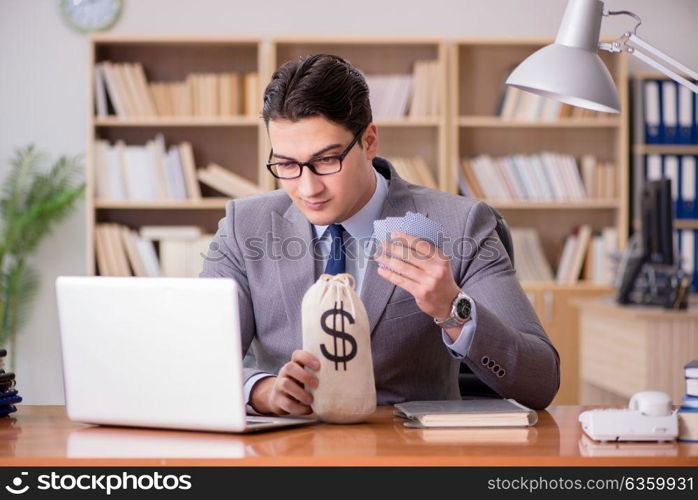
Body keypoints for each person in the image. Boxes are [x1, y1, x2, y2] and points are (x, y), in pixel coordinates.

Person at [200, 54, 560, 416]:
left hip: (406, 452)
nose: (307, 188)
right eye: (287, 165)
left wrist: (453, 310)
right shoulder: (244, 225)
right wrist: (261, 390)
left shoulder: (460, 224)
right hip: (285, 451)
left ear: (369, 142)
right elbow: (196, 357)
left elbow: (541, 382)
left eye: (327, 161)